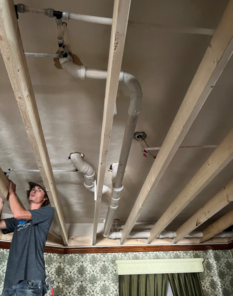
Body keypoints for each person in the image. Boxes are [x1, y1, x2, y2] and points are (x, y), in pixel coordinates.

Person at [0, 180, 54, 296]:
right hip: (10, 282)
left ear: (45, 199)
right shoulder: (17, 221)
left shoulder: (47, 212)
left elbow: (18, 213)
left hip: (31, 281)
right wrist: (0, 202)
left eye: (39, 190)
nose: (34, 191)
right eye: (33, 189)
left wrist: (12, 192)